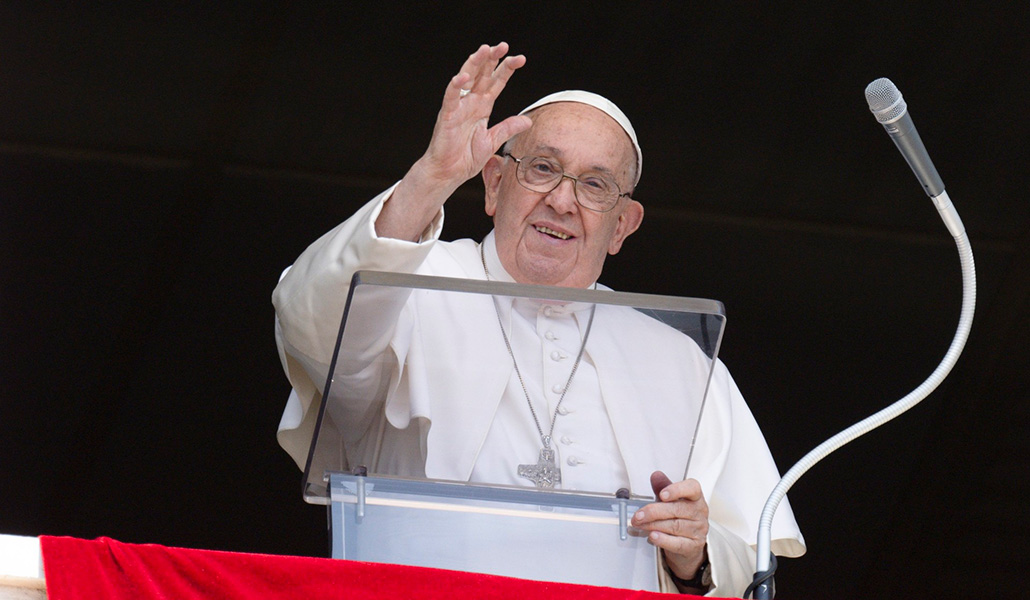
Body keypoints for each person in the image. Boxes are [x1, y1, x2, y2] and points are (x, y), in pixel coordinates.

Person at [273, 42, 805, 596]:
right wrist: (431, 178)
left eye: (595, 185)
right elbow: (311, 320)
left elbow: (753, 554)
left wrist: (694, 555)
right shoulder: (407, 284)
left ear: (623, 225)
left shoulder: (679, 361)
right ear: (495, 183)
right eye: (543, 169)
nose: (562, 200)